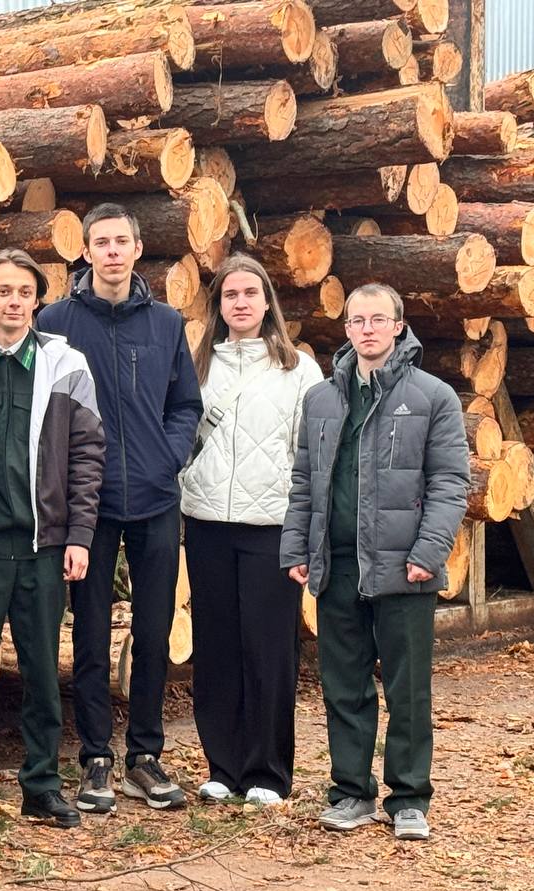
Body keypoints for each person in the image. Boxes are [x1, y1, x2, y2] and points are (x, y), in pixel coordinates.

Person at [280, 283, 469, 841]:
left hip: (403, 568)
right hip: (336, 565)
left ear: (398, 326)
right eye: (357, 320)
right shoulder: (322, 398)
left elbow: (450, 483)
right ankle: (351, 791)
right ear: (346, 330)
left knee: (407, 688)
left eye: (377, 319)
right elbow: (303, 482)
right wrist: (297, 548)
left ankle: (409, 797)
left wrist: (428, 552)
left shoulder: (433, 397)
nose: (367, 329)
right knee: (344, 685)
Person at [36, 202, 203, 814]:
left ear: (137, 250)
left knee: (154, 630)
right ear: (84, 252)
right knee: (88, 632)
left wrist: (169, 455)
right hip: (89, 503)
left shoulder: (165, 322)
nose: (110, 251)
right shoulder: (55, 320)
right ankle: (95, 757)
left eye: (121, 241)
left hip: (156, 498)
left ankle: (145, 755)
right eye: (99, 242)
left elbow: (186, 403)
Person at [0, 249, 106, 830]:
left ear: (37, 301)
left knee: (42, 673)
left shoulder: (66, 364)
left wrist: (80, 534)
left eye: (23, 292)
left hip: (42, 544)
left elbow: (89, 453)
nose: (13, 301)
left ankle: (42, 784)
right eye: (2, 291)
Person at [178, 255, 323, 806]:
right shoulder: (197, 367)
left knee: (268, 650)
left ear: (267, 303)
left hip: (272, 527)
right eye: (229, 294)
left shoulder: (298, 370)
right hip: (209, 521)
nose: (240, 302)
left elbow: (310, 454)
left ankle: (267, 772)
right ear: (217, 305)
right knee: (217, 648)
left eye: (250, 293)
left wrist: (306, 528)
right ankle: (224, 766)